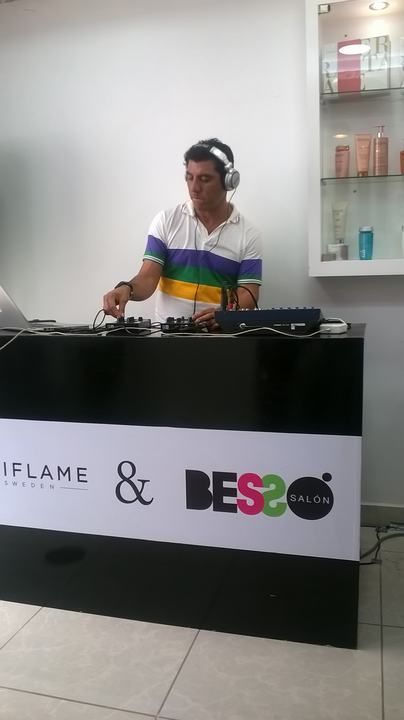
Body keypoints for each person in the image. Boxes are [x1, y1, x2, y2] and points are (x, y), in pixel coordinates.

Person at [103, 138, 262, 330]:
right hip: (168, 340)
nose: (194, 187)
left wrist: (223, 315)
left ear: (228, 181)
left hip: (219, 339)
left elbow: (249, 295)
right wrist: (126, 288)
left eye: (204, 179)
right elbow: (147, 278)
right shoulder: (166, 221)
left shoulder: (248, 234)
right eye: (189, 177)